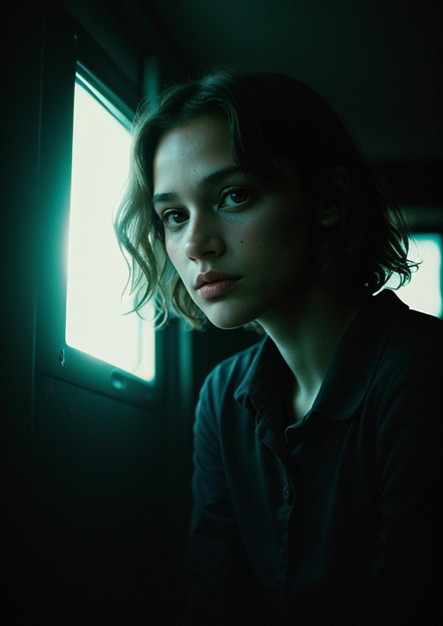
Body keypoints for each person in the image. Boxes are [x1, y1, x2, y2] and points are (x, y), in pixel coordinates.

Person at [114, 66, 442, 625]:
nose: (196, 243)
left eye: (234, 195)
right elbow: (213, 599)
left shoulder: (422, 371)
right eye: (173, 215)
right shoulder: (223, 397)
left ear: (327, 201)